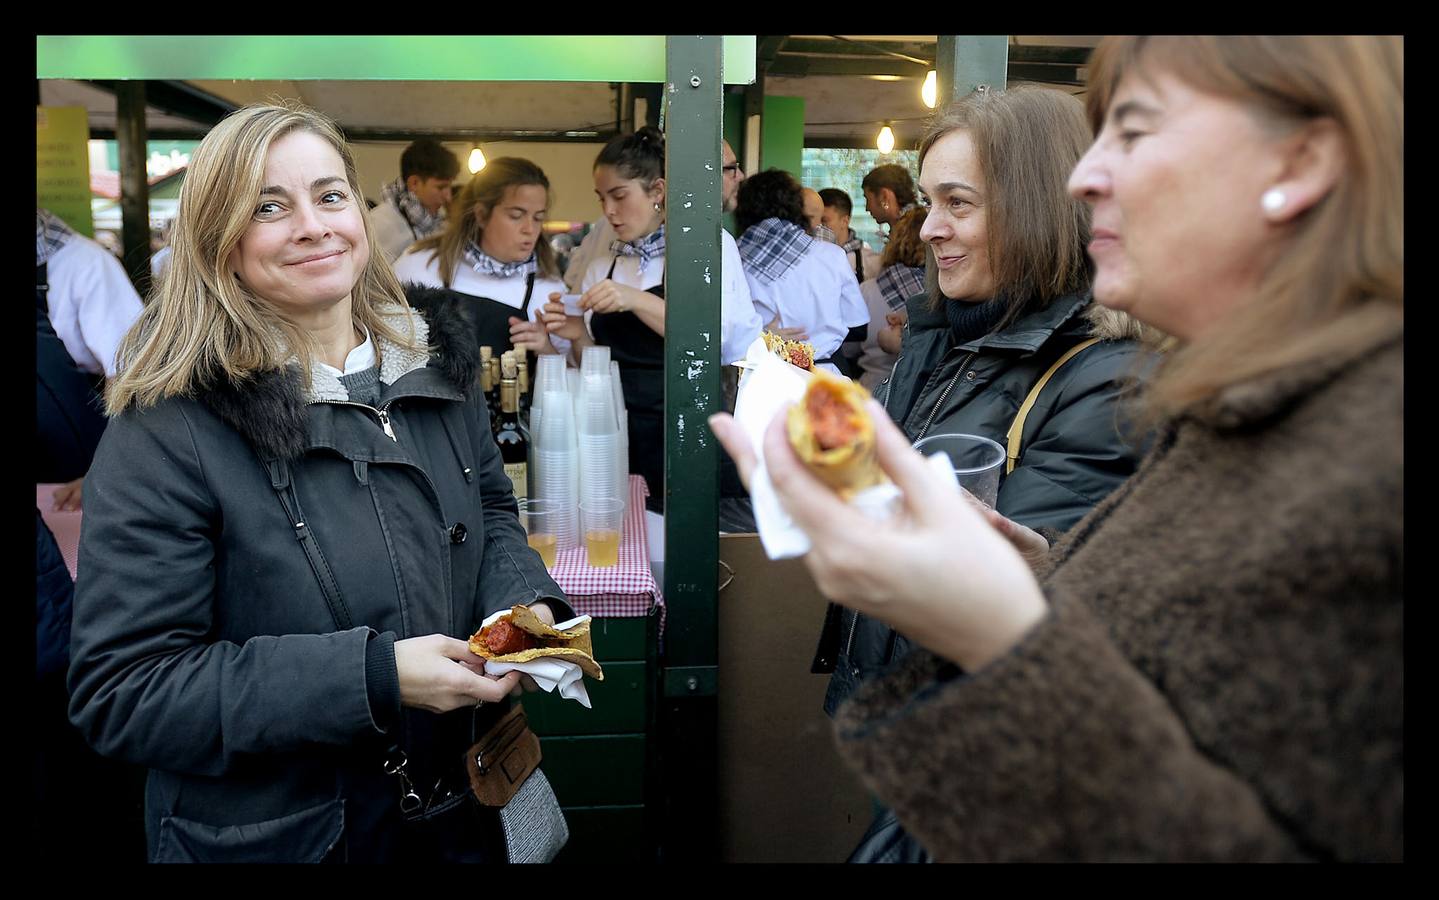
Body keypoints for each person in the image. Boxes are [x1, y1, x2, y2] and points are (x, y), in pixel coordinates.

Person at [712, 35, 1403, 862]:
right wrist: (1040, 575)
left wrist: (997, 633)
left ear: (1303, 159)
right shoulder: (1235, 412)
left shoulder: (1357, 461)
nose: (1085, 176)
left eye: (1135, 130)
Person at [67, 102, 577, 863]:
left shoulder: (435, 367)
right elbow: (126, 692)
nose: (313, 225)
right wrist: (373, 678)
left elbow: (493, 511)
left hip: (461, 810)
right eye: (269, 207)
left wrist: (521, 605)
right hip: (288, 835)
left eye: (330, 195)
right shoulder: (169, 425)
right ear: (219, 242)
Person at [540, 127, 762, 511]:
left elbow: (719, 342)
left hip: (687, 429)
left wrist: (635, 300)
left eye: (619, 196)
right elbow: (595, 366)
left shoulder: (705, 246)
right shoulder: (602, 263)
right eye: (602, 198)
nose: (608, 211)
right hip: (617, 432)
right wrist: (578, 335)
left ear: (658, 191)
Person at [392, 156, 567, 358]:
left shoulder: (548, 290)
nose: (530, 229)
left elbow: (570, 375)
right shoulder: (419, 265)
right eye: (516, 216)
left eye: (538, 218)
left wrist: (545, 349)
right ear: (482, 214)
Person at [733, 169, 869, 378]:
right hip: (825, 375)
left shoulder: (736, 258)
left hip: (764, 377)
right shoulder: (832, 255)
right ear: (796, 207)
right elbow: (858, 325)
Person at [849, 205, 927, 391]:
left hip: (872, 391)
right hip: (922, 392)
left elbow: (850, 347)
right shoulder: (940, 294)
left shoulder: (867, 290)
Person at [370, 137, 460, 263]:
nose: (448, 197)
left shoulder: (436, 225)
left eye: (449, 187)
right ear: (414, 183)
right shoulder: (379, 223)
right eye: (441, 187)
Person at [819, 188, 881, 284]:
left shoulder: (870, 262)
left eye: (824, 220)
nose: (817, 225)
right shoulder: (809, 257)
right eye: (814, 219)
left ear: (845, 221)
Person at [861, 163, 918, 237]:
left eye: (868, 199)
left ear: (884, 196)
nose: (867, 208)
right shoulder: (914, 227)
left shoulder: (914, 234)